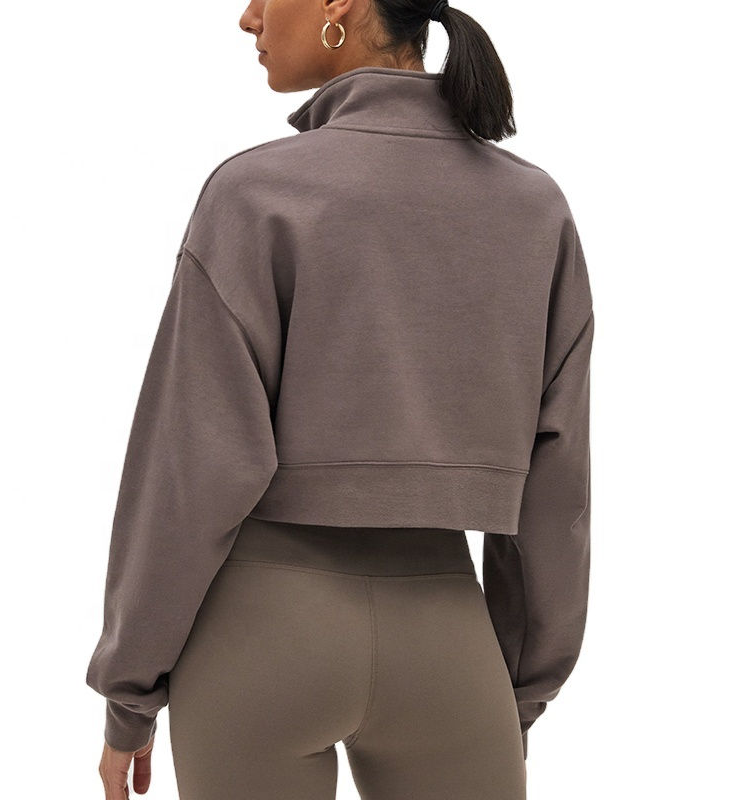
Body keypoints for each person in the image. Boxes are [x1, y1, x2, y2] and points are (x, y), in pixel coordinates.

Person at [86, 0, 595, 797]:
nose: (248, 18)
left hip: (258, 636)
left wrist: (130, 694)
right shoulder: (535, 207)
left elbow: (188, 468)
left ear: (338, 5)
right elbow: (557, 489)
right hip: (448, 638)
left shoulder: (255, 191)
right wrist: (517, 693)